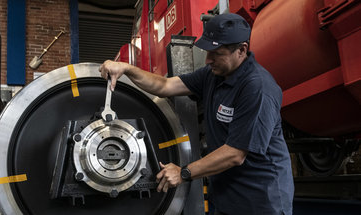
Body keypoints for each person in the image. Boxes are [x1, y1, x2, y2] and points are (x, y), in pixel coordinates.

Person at [99, 13, 294, 215]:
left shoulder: (257, 88)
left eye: (216, 53)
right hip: (227, 195)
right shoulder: (213, 75)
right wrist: (127, 69)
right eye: (207, 51)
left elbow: (235, 154)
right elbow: (165, 85)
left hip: (260, 200)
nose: (208, 60)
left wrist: (183, 172)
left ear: (241, 50)